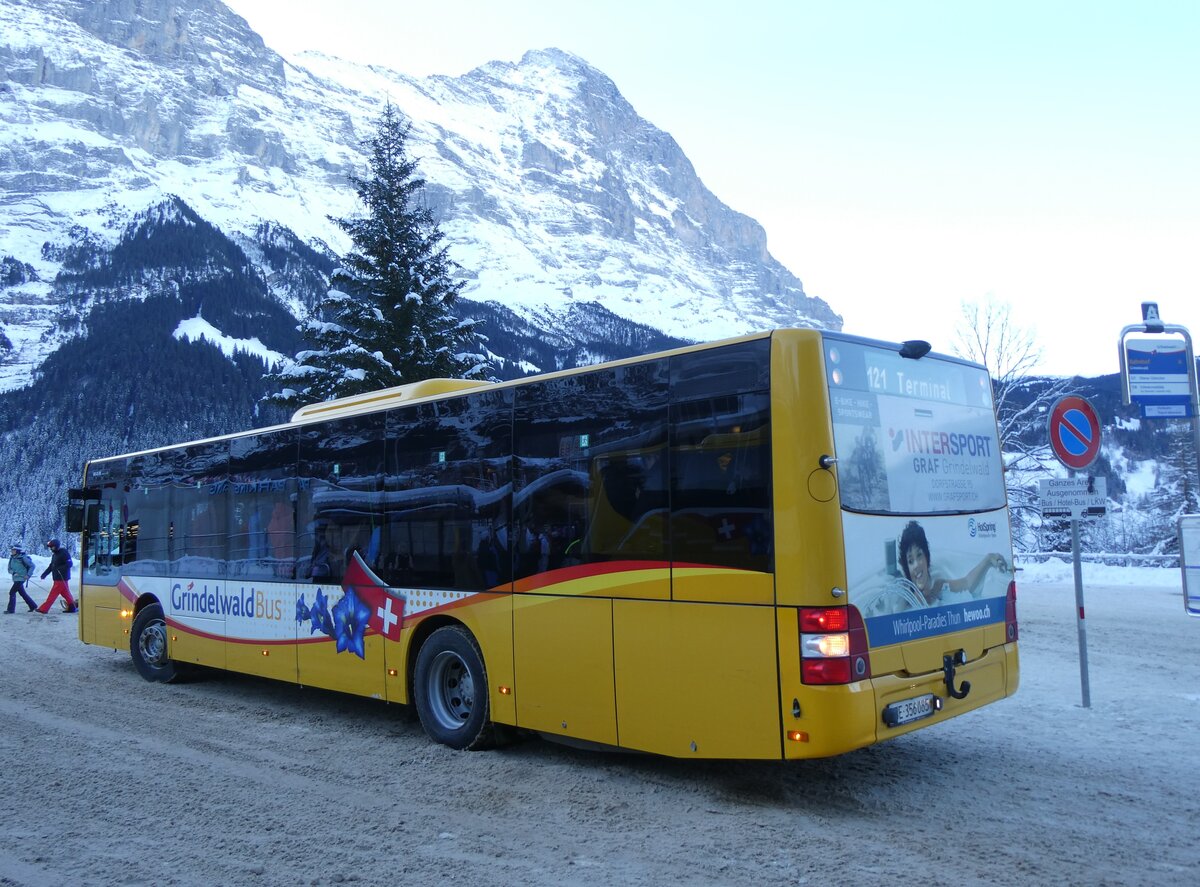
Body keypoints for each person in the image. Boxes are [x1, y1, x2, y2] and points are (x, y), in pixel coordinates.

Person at [898, 521, 1008, 607]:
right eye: (911, 561)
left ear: (926, 557)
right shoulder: (905, 600)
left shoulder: (938, 587)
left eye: (919, 555)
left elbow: (967, 583)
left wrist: (988, 560)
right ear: (907, 568)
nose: (916, 564)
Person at [36, 538, 77, 614]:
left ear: (56, 546)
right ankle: (72, 607)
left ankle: (44, 609)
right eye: (50, 547)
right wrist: (45, 574)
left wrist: (60, 569)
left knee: (53, 594)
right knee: (65, 593)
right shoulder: (55, 555)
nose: (51, 549)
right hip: (57, 578)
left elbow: (69, 564)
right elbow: (52, 566)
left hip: (62, 578)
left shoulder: (64, 553)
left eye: (52, 547)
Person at [6, 542, 38, 613]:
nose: (12, 551)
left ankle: (11, 610)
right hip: (16, 578)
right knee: (22, 593)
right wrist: (13, 573)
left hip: (21, 579)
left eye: (13, 550)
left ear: (17, 551)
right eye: (12, 550)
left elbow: (32, 566)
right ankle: (33, 606)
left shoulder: (23, 558)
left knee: (12, 592)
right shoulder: (12, 558)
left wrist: (28, 575)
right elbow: (9, 569)